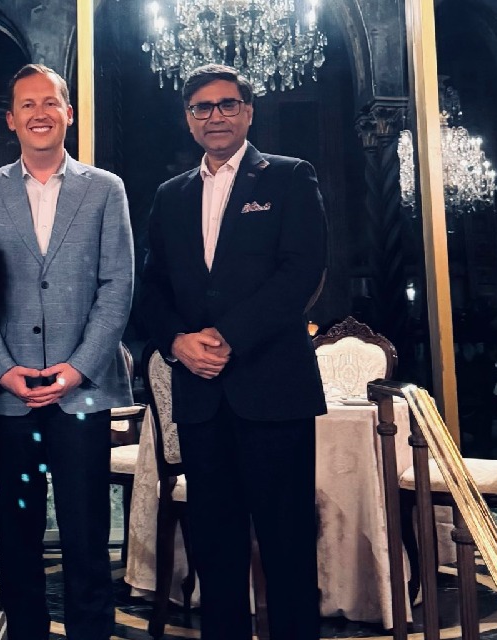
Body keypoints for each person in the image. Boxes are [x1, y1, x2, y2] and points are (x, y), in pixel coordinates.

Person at [138, 64, 327, 640]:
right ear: (188, 119)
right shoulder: (170, 195)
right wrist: (176, 341)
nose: (214, 115)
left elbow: (301, 273)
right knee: (215, 551)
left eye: (226, 104)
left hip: (273, 391)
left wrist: (227, 337)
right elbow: (152, 289)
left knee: (288, 546)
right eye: (202, 107)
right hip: (200, 396)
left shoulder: (290, 177)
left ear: (248, 112)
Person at [0, 64, 134, 640]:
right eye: (27, 104)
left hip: (81, 393)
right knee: (17, 538)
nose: (40, 113)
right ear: (11, 119)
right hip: (9, 395)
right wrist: (2, 369)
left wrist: (79, 367)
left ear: (68, 113)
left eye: (50, 102)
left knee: (87, 539)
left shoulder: (105, 189)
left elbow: (117, 287)